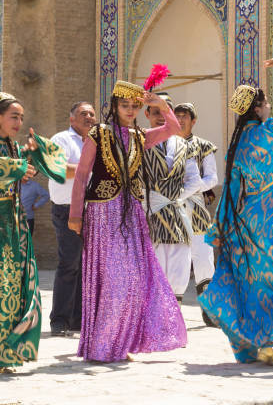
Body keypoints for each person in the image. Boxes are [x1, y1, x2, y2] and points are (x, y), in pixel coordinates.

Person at [199, 58, 273, 365]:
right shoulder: (271, 129)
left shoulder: (236, 147)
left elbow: (231, 193)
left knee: (255, 279)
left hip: (250, 221)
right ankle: (272, 336)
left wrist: (220, 230)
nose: (268, 107)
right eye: (265, 103)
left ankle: (255, 342)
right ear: (257, 108)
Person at [68, 81, 187, 363]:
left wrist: (159, 103)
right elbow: (82, 175)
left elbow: (174, 129)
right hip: (102, 213)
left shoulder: (140, 136)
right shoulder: (99, 133)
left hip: (131, 214)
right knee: (112, 279)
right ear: (115, 106)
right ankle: (103, 344)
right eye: (125, 105)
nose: (131, 110)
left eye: (135, 106)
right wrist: (75, 215)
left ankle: (119, 343)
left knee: (133, 279)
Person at [0, 92, 67, 373]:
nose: (19, 122)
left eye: (22, 117)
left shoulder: (14, 147)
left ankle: (0, 347)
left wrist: (36, 150)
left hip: (15, 224)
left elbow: (52, 166)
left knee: (17, 285)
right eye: (14, 116)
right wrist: (19, 167)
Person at [142, 94, 203, 305]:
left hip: (176, 212)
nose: (161, 117)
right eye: (156, 111)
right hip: (149, 212)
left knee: (179, 262)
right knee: (154, 262)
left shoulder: (184, 145)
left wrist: (173, 198)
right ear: (147, 114)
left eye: (165, 111)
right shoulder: (140, 142)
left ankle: (173, 317)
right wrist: (151, 199)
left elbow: (194, 180)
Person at [48, 101, 96, 336]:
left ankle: (79, 319)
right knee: (69, 264)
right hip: (67, 209)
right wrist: (88, 171)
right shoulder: (61, 140)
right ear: (72, 120)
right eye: (83, 114)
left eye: (91, 114)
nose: (89, 117)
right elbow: (57, 168)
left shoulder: (97, 142)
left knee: (85, 265)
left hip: (91, 210)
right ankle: (59, 320)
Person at [174, 102, 219, 326]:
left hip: (197, 209)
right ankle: (173, 312)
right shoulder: (166, 143)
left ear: (193, 120)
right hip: (170, 211)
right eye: (177, 115)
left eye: (185, 116)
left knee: (203, 259)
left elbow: (213, 178)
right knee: (175, 261)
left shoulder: (204, 146)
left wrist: (191, 188)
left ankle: (208, 310)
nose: (180, 120)